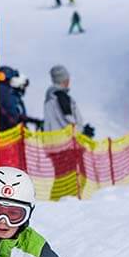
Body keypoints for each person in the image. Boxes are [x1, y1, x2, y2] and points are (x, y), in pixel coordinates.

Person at [43, 65, 93, 198]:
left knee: (62, 178)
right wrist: (84, 132)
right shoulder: (61, 97)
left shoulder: (50, 98)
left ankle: (58, 204)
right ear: (63, 79)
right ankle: (64, 204)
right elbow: (70, 122)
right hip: (67, 146)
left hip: (56, 145)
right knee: (75, 178)